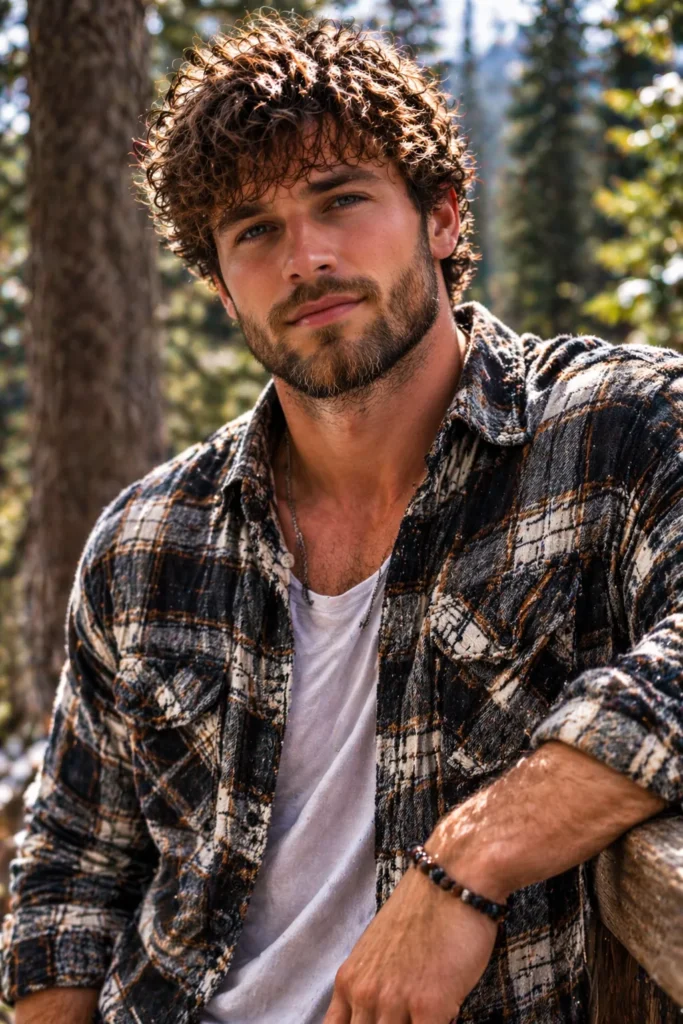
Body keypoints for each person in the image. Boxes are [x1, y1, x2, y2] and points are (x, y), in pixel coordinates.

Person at [3, 11, 681, 1024]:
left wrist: (467, 861)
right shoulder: (146, 545)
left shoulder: (614, 432)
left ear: (441, 216)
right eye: (254, 230)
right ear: (221, 288)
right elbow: (71, 871)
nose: (304, 257)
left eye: (340, 200)